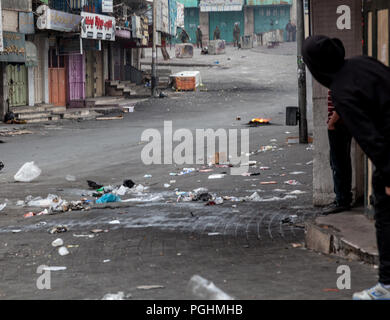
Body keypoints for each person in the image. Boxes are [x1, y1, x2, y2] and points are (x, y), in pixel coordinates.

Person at [303, 35, 390, 300]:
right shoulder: (362, 63)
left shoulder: (342, 92)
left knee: (385, 216)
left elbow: (370, 139)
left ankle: (387, 286)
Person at [322, 91, 353, 215]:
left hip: (338, 126)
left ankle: (342, 200)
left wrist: (331, 122)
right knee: (340, 162)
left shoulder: (339, 82)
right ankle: (342, 198)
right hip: (341, 125)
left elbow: (341, 105)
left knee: (338, 163)